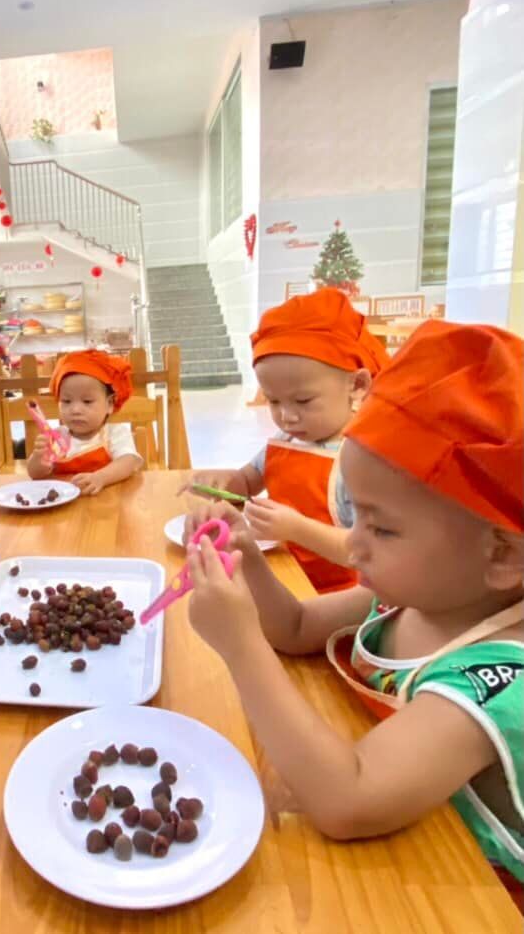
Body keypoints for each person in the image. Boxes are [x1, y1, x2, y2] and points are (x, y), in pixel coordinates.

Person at [185, 320, 524, 904]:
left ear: (502, 556)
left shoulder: (495, 679)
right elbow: (295, 629)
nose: (352, 542)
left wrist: (239, 646)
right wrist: (249, 560)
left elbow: (347, 800)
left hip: (456, 899)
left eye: (381, 528)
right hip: (386, 870)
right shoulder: (419, 594)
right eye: (354, 513)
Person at [185, 288, 389, 592]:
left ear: (357, 385)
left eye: (303, 401)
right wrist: (222, 483)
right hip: (280, 579)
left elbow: (367, 551)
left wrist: (297, 529)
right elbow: (247, 482)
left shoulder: (362, 461)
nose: (287, 417)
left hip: (331, 599)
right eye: (274, 401)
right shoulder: (286, 440)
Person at [27, 349, 142, 496]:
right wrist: (38, 458)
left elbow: (129, 462)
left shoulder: (114, 433)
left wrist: (101, 477)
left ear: (109, 404)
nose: (75, 410)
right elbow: (35, 474)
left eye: (87, 401)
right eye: (66, 401)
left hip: (107, 502)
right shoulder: (57, 436)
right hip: (64, 504)